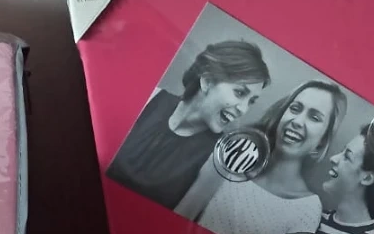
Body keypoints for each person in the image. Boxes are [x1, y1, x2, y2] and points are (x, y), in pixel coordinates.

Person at [177, 79, 346, 234]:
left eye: (314, 118)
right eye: (295, 108)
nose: (297, 121)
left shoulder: (307, 209)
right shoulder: (238, 151)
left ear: (322, 141)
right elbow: (184, 213)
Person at [106, 40, 270, 210]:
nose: (243, 109)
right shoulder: (149, 99)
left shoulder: (218, 158)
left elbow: (179, 219)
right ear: (207, 81)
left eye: (251, 102)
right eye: (240, 93)